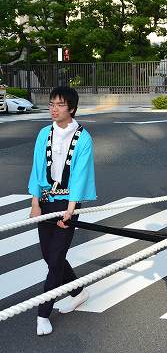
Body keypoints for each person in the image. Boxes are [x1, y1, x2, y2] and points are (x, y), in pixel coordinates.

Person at [28, 86, 96, 336]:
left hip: (68, 203)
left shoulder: (83, 138)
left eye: (60, 105)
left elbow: (80, 174)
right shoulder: (44, 134)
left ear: (72, 109)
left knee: (55, 259)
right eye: (51, 104)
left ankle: (43, 314)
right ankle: (79, 291)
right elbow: (37, 168)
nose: (53, 109)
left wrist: (71, 209)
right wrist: (35, 203)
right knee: (49, 255)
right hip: (46, 202)